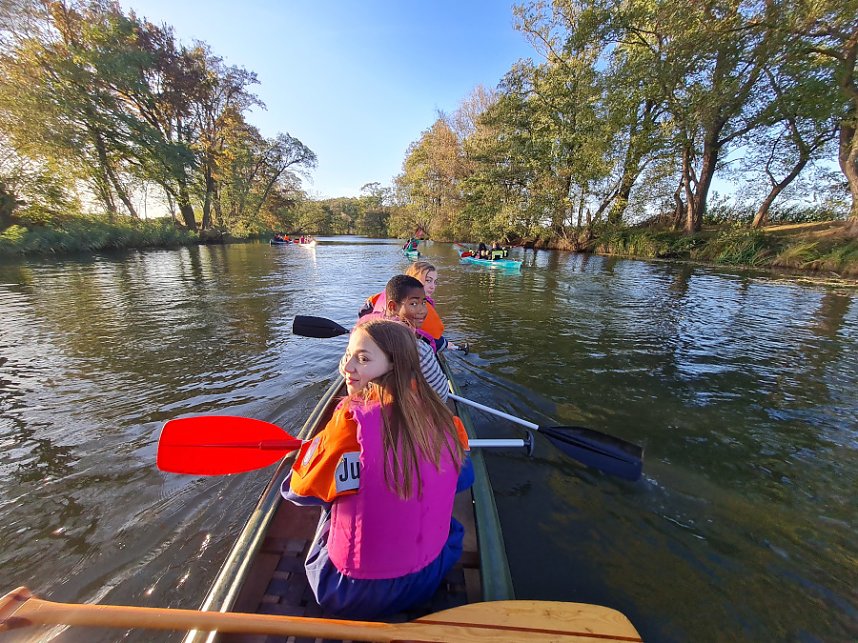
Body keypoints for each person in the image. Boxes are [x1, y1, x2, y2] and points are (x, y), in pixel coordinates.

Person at [281, 319, 473, 618]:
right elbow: (464, 480)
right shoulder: (447, 420)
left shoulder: (349, 423)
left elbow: (300, 492)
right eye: (348, 355)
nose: (347, 368)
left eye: (363, 359)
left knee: (330, 503)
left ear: (394, 366)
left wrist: (312, 457)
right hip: (428, 577)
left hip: (346, 592)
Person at [405, 261, 464, 353]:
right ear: (413, 280)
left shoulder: (402, 298)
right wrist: (445, 344)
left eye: (435, 282)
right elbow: (431, 337)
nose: (433, 286)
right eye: (428, 280)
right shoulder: (420, 307)